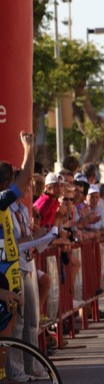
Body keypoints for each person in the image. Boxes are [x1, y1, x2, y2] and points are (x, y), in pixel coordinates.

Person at [0, 132, 34, 338]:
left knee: (8, 329)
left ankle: (6, 372)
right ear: (5, 184)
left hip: (7, 270)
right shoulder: (1, 199)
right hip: (2, 274)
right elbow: (26, 178)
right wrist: (28, 147)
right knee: (6, 330)